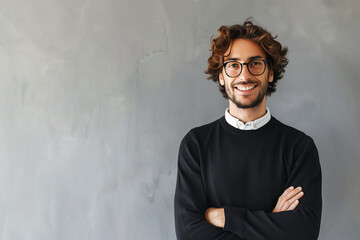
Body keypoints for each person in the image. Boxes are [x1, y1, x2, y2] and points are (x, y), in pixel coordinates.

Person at [174, 20, 322, 240]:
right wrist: (272, 221)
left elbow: (304, 232)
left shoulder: (299, 148)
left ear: (270, 73)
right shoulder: (196, 145)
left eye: (255, 64)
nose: (244, 75)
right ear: (222, 76)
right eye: (233, 65)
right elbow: (189, 234)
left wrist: (227, 218)